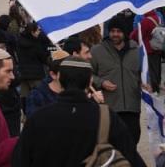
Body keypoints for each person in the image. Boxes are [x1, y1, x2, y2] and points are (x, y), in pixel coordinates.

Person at [12, 57, 146, 167]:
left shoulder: (38, 117)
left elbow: (20, 159)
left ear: (60, 78)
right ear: (90, 81)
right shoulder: (105, 117)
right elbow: (131, 157)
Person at [91, 16, 143, 146]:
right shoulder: (97, 51)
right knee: (112, 143)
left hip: (132, 107)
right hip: (109, 108)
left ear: (125, 32)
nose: (115, 34)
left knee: (132, 140)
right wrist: (101, 82)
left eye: (118, 31)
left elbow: (143, 74)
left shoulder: (137, 50)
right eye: (112, 31)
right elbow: (88, 75)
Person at [24, 50, 69, 118]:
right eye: (67, 72)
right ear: (53, 74)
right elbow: (34, 122)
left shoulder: (76, 91)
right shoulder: (37, 96)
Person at [16, 22, 49, 111]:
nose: (39, 32)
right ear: (32, 32)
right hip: (36, 74)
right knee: (40, 96)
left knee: (25, 97)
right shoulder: (35, 44)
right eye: (37, 30)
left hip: (23, 73)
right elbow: (43, 58)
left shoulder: (19, 41)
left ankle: (26, 114)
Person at [130, 10, 163, 94]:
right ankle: (157, 88)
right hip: (157, 48)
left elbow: (136, 34)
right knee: (156, 70)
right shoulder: (159, 18)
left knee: (149, 71)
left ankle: (152, 89)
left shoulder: (146, 21)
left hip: (148, 49)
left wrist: (131, 36)